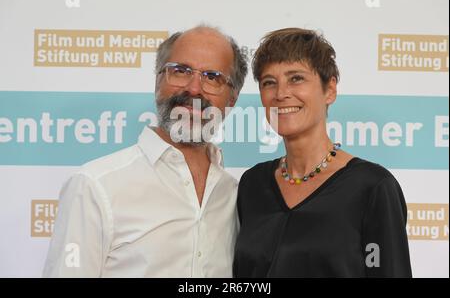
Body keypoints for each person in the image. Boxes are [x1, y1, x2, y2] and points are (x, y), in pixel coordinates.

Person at [43, 26, 248, 277]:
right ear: (158, 80)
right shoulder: (95, 187)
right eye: (181, 71)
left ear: (232, 99)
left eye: (212, 77)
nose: (194, 88)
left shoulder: (234, 194)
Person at [233, 28, 412, 278]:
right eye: (269, 82)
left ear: (330, 90)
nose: (281, 93)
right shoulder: (253, 184)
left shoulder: (372, 187)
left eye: (296, 78)